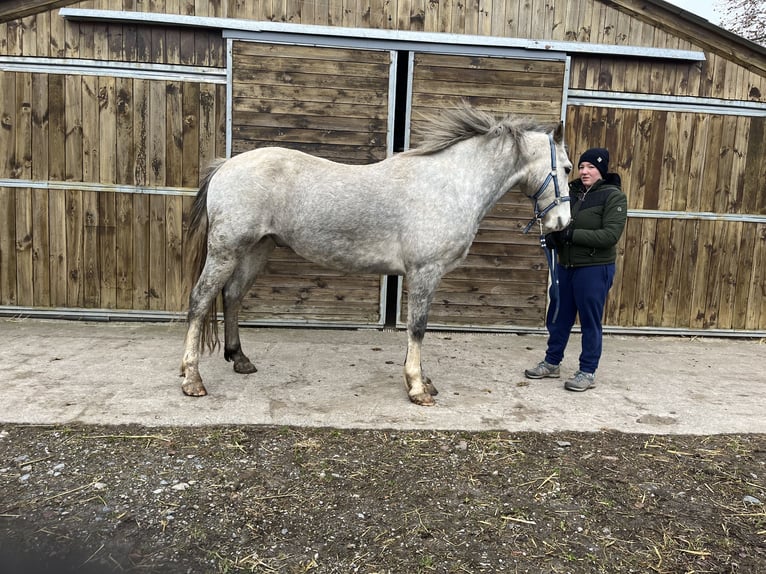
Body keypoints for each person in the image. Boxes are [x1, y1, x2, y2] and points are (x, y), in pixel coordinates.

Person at [524, 147, 628, 391]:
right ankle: (552, 362)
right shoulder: (571, 191)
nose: (584, 171)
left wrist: (571, 236)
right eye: (582, 166)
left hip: (593, 268)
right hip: (566, 266)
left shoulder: (613, 197)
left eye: (590, 167)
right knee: (559, 317)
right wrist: (554, 237)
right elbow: (559, 220)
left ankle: (587, 371)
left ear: (601, 170)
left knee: (590, 321)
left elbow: (609, 235)